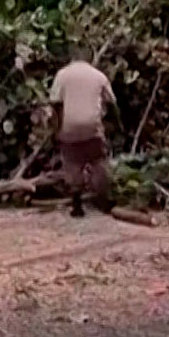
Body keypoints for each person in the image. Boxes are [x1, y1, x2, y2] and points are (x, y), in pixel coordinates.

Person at [48, 50, 115, 218]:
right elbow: (112, 102)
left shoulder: (62, 74)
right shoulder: (99, 75)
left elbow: (55, 104)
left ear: (72, 58)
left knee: (72, 164)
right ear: (89, 59)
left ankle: (76, 205)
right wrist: (111, 125)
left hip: (69, 126)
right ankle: (103, 201)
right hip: (92, 126)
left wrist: (56, 130)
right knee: (98, 162)